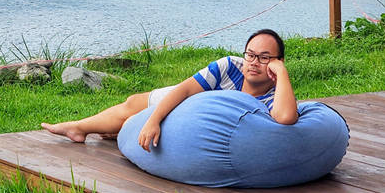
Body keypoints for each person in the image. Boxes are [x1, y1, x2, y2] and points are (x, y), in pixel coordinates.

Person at [41, 29, 298, 150]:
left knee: (131, 114)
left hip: (199, 123)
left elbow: (286, 118)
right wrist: (153, 120)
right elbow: (184, 89)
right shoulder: (230, 65)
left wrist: (282, 73)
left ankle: (102, 127)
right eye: (251, 55)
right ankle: (78, 128)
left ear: (277, 61)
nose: (254, 63)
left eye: (265, 58)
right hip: (188, 103)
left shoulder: (274, 94)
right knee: (134, 103)